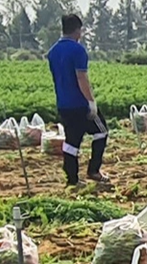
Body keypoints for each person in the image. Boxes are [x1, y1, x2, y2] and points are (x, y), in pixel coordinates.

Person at [47, 13, 111, 189]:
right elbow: (81, 78)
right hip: (80, 104)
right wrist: (91, 102)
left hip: (63, 104)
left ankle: (72, 179)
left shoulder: (53, 52)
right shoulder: (77, 50)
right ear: (78, 30)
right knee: (101, 131)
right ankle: (94, 170)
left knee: (71, 142)